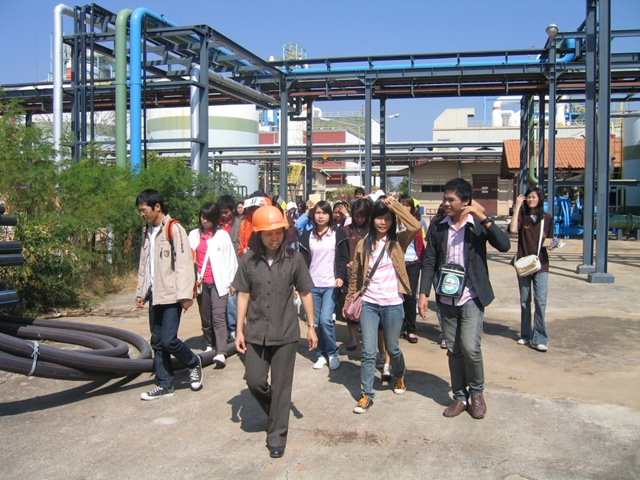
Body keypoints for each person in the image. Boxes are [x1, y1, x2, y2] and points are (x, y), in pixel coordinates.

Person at [418, 178, 511, 419]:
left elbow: (504, 245)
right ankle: (460, 397)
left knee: (471, 348)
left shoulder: (477, 225)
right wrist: (423, 294)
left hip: (471, 296)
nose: (446, 204)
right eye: (445, 199)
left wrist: (483, 217)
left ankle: (477, 394)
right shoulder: (438, 227)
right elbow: (429, 261)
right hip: (446, 297)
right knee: (454, 350)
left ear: (466, 201)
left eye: (451, 200)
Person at [232, 205, 318, 459]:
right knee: (254, 380)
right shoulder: (249, 260)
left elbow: (305, 292)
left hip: (286, 332)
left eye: (278, 232)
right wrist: (239, 330)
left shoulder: (294, 259)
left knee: (281, 387)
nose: (274, 237)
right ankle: (276, 413)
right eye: (268, 233)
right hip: (256, 331)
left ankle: (277, 435)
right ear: (258, 234)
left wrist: (311, 327)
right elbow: (243, 295)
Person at [345, 196, 421, 414]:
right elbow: (356, 275)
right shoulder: (363, 244)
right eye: (379, 218)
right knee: (368, 351)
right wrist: (350, 298)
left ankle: (399, 375)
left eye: (388, 219)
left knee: (392, 348)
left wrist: (394, 206)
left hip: (393, 304)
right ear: (372, 219)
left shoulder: (398, 242)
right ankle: (366, 395)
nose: (383, 222)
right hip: (369, 303)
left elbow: (415, 226)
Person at [134, 189, 203, 400]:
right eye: (140, 211)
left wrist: (185, 295)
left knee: (168, 340)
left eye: (144, 210)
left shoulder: (174, 228)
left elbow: (183, 264)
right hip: (155, 294)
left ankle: (193, 362)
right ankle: (165, 384)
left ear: (157, 207)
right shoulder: (148, 231)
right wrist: (140, 292)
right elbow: (144, 264)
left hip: (172, 295)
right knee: (157, 341)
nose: (142, 214)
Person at [298, 200, 349, 371]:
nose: (321, 216)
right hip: (312, 285)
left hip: (330, 284)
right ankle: (321, 354)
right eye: (318, 213)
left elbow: (343, 258)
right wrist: (299, 284)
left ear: (330, 216)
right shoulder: (307, 237)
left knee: (326, 320)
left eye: (324, 213)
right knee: (316, 322)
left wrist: (340, 276)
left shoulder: (338, 234)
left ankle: (333, 352)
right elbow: (302, 262)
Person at [188, 202, 238, 367]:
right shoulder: (193, 236)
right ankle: (209, 344)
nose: (204, 221)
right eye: (203, 217)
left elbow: (230, 259)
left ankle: (221, 352)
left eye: (208, 218)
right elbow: (188, 259)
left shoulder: (221, 236)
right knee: (206, 317)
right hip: (201, 283)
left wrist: (233, 282)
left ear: (215, 219)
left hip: (219, 283)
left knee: (218, 316)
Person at [509, 187, 555, 352]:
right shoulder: (522, 216)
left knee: (540, 301)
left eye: (533, 197)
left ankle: (540, 338)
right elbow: (513, 230)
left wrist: (551, 245)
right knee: (525, 300)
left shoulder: (547, 218)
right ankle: (526, 334)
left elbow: (549, 239)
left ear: (540, 199)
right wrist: (517, 207)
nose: (530, 200)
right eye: (528, 197)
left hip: (541, 264)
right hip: (523, 263)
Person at [339, 197, 372, 351]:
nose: (359, 219)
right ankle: (352, 339)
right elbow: (341, 251)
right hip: (350, 274)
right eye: (357, 216)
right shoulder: (346, 229)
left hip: (368, 274)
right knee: (351, 304)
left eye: (362, 216)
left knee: (367, 308)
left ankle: (367, 338)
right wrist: (346, 263)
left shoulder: (372, 231)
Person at [397, 194, 425, 344]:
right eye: (401, 204)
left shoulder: (417, 224)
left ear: (413, 209)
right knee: (398, 296)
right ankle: (400, 327)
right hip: (397, 264)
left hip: (413, 263)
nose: (404, 207)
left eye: (407, 205)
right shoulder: (392, 223)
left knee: (410, 296)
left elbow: (421, 244)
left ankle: (411, 329)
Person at [217, 195, 241, 340]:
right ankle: (223, 328)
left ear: (232, 210)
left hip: (236, 267)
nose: (223, 215)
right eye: (221, 212)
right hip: (220, 268)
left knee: (232, 300)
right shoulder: (215, 226)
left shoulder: (240, 225)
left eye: (226, 212)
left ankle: (233, 328)